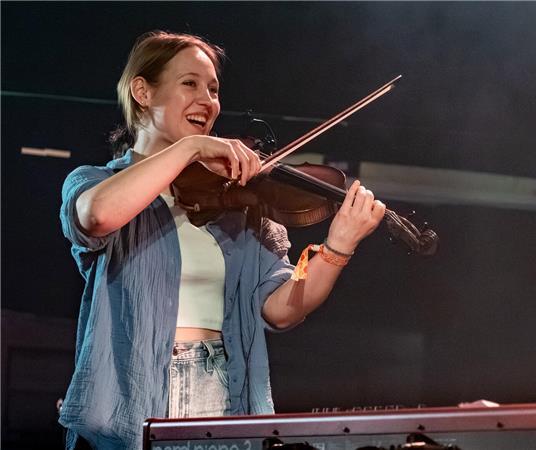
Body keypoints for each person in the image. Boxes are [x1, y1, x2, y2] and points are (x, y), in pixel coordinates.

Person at [58, 30, 386, 450]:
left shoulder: (237, 203)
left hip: (218, 391)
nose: (208, 101)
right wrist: (192, 147)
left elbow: (280, 311)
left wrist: (339, 247)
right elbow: (97, 215)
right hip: (130, 401)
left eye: (213, 89)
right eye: (190, 83)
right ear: (143, 91)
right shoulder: (95, 181)